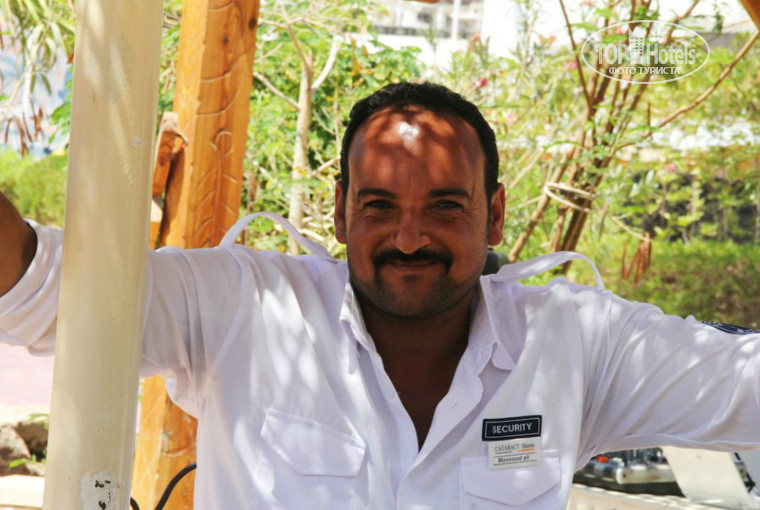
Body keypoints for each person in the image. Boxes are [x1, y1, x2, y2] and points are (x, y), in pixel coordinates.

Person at [1, 81, 760, 509]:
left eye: (445, 206)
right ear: (339, 212)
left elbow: (742, 387)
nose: (409, 236)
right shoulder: (244, 308)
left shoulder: (575, 344)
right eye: (379, 206)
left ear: (495, 213)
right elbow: (43, 288)